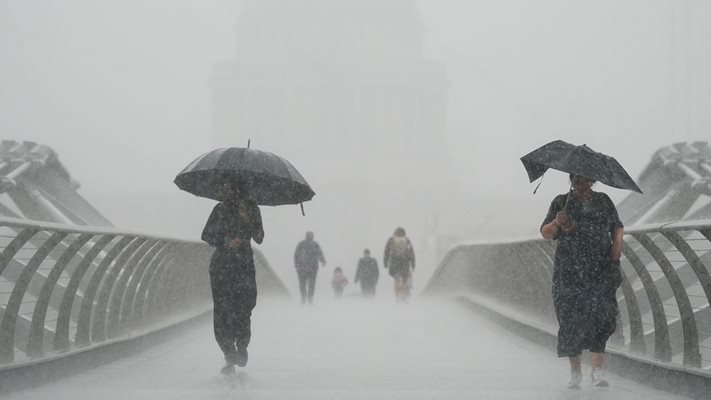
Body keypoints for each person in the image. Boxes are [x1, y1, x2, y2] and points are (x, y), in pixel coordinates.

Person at [540, 174, 624, 388]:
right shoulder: (561, 202)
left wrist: (615, 256)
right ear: (571, 180)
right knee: (569, 317)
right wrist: (557, 222)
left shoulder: (603, 200)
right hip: (569, 269)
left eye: (585, 180)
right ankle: (575, 371)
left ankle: (597, 371)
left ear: (592, 181)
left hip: (600, 267)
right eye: (577, 180)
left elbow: (617, 228)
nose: (581, 184)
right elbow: (545, 233)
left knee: (601, 315)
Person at [201, 178, 264, 374]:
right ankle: (229, 354)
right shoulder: (219, 209)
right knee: (222, 312)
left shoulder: (252, 208)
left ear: (236, 187)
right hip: (222, 266)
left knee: (244, 308)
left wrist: (249, 219)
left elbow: (260, 237)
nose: (221, 189)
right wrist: (226, 241)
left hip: (243, 266)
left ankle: (242, 345)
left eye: (224, 186)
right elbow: (206, 235)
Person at [383, 227, 415, 303]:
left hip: (394, 263)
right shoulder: (407, 240)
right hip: (404, 263)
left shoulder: (391, 240)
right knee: (404, 280)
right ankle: (403, 295)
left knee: (396, 280)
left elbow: (386, 251)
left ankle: (397, 297)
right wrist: (413, 263)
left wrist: (385, 262)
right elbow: (411, 253)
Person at [294, 231, 326, 305]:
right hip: (311, 268)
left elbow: (296, 255)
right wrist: (323, 261)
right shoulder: (314, 244)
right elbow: (319, 253)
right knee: (310, 284)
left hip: (303, 268)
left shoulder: (302, 244)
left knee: (303, 284)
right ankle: (308, 298)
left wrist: (297, 265)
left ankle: (305, 297)